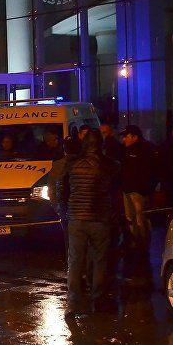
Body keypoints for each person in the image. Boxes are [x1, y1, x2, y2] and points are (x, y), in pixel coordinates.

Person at [57, 131, 120, 317]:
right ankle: (98, 299)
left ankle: (73, 302)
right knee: (100, 261)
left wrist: (66, 212)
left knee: (75, 261)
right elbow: (115, 194)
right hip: (100, 219)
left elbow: (62, 190)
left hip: (77, 218)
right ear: (100, 144)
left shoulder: (72, 164)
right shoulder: (110, 165)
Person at [118, 125, 156, 248]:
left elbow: (151, 171)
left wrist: (147, 188)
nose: (124, 139)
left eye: (126, 137)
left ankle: (142, 243)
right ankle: (134, 241)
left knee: (141, 218)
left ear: (135, 137)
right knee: (131, 218)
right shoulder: (126, 150)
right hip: (128, 189)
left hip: (139, 191)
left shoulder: (146, 150)